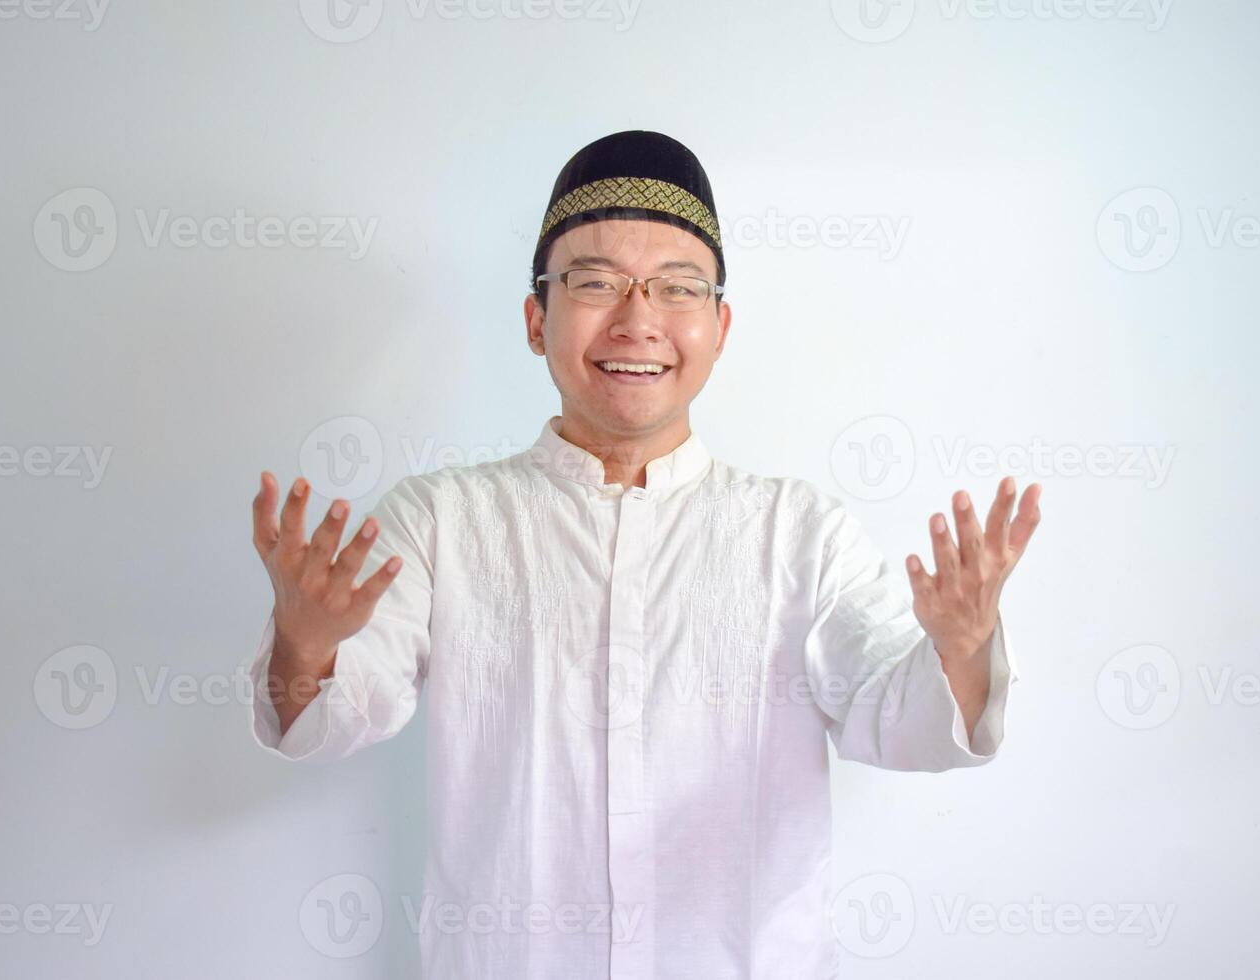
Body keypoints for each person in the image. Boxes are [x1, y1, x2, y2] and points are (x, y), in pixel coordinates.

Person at [247, 130, 1042, 979]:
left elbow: (903, 718)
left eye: (676, 288)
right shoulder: (443, 521)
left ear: (719, 325)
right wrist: (308, 640)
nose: (637, 320)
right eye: (594, 283)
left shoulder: (800, 533)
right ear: (535, 317)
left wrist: (959, 647)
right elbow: (325, 720)